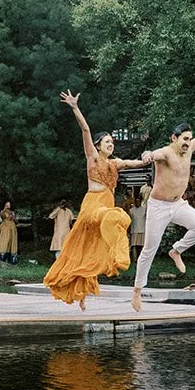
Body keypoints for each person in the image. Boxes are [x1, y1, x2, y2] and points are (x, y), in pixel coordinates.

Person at [42, 90, 147, 309]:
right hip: (93, 206)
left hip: (105, 207)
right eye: (107, 141)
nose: (111, 144)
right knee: (116, 216)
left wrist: (149, 157)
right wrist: (75, 107)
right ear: (98, 145)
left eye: (112, 142)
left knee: (91, 249)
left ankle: (82, 294)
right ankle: (119, 257)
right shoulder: (92, 157)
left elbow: (133, 163)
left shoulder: (115, 163)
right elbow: (86, 129)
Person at [129, 92, 195, 311]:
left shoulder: (191, 149)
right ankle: (137, 290)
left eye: (189, 139)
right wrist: (147, 154)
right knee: (149, 249)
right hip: (158, 207)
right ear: (174, 139)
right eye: (184, 139)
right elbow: (151, 153)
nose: (187, 143)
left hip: (178, 204)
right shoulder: (166, 152)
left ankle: (176, 250)